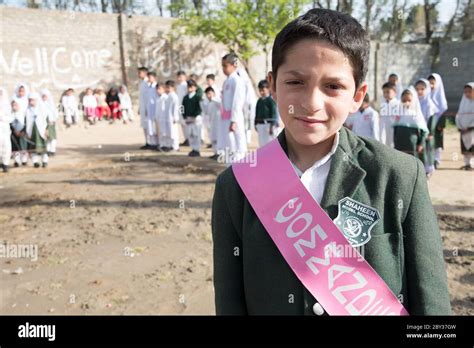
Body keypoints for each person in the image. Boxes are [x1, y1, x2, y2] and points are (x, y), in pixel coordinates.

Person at [212, 8, 450, 316]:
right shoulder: (236, 187)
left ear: (357, 95)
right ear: (272, 85)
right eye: (295, 82)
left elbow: (432, 305)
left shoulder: (399, 176)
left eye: (333, 87)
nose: (311, 103)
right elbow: (230, 303)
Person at [219, 53, 247, 162]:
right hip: (226, 118)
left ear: (233, 65)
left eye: (225, 66)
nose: (223, 69)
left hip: (234, 118)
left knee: (237, 145)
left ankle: (240, 171)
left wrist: (234, 120)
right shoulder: (226, 81)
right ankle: (230, 169)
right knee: (229, 144)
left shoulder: (237, 81)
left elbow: (237, 101)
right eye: (222, 66)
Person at [393, 87, 429, 159]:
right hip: (399, 145)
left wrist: (421, 144)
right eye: (404, 100)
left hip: (412, 146)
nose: (406, 102)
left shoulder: (416, 114)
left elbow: (424, 131)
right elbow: (395, 130)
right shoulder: (398, 114)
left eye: (409, 100)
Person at [416, 79, 437, 177]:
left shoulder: (429, 104)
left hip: (427, 132)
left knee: (427, 150)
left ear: (427, 90)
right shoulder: (415, 102)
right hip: (419, 131)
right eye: (417, 89)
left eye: (422, 89)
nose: (419, 91)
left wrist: (430, 132)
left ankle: (429, 170)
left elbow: (432, 119)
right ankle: (422, 170)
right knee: (420, 150)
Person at [428, 73, 448, 168]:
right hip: (428, 123)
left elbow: (443, 110)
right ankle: (430, 159)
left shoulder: (441, 98)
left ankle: (437, 159)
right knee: (429, 140)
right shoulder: (427, 95)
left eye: (433, 83)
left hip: (438, 123)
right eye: (429, 83)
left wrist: (441, 124)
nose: (431, 85)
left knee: (437, 141)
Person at [25, 93, 49, 168]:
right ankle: (35, 162)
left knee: (43, 147)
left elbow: (46, 120)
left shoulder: (41, 109)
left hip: (41, 131)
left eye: (33, 100)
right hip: (31, 132)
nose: (31, 102)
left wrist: (46, 129)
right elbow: (25, 121)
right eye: (30, 100)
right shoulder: (27, 110)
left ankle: (44, 161)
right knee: (32, 147)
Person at [455, 82, 474, 170]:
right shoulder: (463, 102)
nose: (467, 94)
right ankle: (467, 164)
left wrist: (470, 127)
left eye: (470, 91)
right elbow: (459, 115)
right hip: (463, 129)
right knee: (466, 149)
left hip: (472, 130)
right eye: (465, 92)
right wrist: (460, 126)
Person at [254, 79, 278, 147]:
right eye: (260, 90)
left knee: (269, 143)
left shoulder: (271, 101)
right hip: (260, 124)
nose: (261, 92)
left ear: (268, 89)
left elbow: (274, 113)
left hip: (268, 125)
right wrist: (255, 123)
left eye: (263, 90)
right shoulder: (259, 101)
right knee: (262, 143)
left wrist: (272, 125)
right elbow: (257, 112)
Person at [182, 79, 202, 157]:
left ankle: (197, 149)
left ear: (195, 87)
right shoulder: (185, 97)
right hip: (188, 118)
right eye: (188, 87)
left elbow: (199, 108)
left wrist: (195, 115)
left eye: (191, 86)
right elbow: (181, 107)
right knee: (190, 134)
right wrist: (184, 116)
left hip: (196, 119)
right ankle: (193, 148)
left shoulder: (197, 97)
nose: (190, 88)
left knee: (196, 134)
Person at [161, 80, 180, 152]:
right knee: (169, 132)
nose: (167, 89)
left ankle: (175, 147)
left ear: (173, 88)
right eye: (166, 87)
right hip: (167, 117)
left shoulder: (174, 96)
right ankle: (170, 145)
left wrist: (175, 117)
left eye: (168, 87)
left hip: (172, 118)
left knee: (174, 133)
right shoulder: (168, 96)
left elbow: (176, 108)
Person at [379, 82, 399, 148]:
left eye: (388, 92)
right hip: (384, 130)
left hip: (393, 131)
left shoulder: (398, 104)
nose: (386, 94)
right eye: (384, 92)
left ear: (395, 92)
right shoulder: (383, 104)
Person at [203, 86, 221, 159]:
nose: (209, 96)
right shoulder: (209, 103)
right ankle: (215, 153)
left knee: (218, 138)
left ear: (214, 93)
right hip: (212, 123)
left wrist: (213, 98)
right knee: (213, 138)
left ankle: (219, 153)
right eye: (207, 94)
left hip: (218, 124)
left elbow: (221, 104)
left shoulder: (217, 100)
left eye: (210, 93)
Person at [10, 100, 28, 167]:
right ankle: (17, 161)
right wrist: (14, 131)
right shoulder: (10, 114)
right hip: (14, 134)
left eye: (15, 105)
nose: (14, 107)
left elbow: (26, 123)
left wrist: (22, 131)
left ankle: (24, 160)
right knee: (15, 147)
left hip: (22, 133)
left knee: (23, 146)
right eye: (13, 105)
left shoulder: (22, 114)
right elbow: (10, 123)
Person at [40, 89, 58, 156]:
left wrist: (53, 120)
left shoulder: (51, 104)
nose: (44, 97)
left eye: (46, 96)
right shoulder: (40, 104)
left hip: (51, 122)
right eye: (43, 96)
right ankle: (47, 149)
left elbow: (54, 113)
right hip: (43, 123)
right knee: (46, 137)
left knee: (52, 137)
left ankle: (52, 150)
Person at [0, 87, 12, 172]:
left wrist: (3, 117)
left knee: (6, 146)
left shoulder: (7, 105)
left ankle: (5, 164)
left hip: (5, 129)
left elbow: (10, 117)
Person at [145, 72, 159, 148]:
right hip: (149, 109)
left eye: (150, 77)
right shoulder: (148, 86)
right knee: (150, 126)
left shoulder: (156, 86)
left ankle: (158, 143)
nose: (149, 79)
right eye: (148, 77)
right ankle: (152, 143)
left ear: (154, 78)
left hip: (155, 109)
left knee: (156, 126)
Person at [138, 67, 150, 149]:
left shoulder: (147, 83)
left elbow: (148, 97)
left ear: (145, 73)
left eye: (140, 72)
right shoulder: (142, 83)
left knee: (149, 125)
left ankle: (151, 142)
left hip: (147, 108)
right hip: (142, 107)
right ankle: (147, 142)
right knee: (144, 125)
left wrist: (146, 108)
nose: (138, 74)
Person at [176, 71, 189, 147]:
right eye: (178, 77)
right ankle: (186, 138)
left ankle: (190, 139)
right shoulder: (178, 86)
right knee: (182, 122)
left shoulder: (186, 85)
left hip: (185, 106)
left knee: (186, 122)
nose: (180, 78)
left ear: (185, 77)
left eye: (181, 76)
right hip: (180, 106)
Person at [155, 82, 168, 151]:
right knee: (160, 132)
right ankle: (161, 144)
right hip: (159, 118)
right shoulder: (158, 98)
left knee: (164, 132)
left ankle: (165, 145)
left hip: (164, 118)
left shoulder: (165, 97)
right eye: (157, 89)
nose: (158, 90)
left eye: (159, 89)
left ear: (163, 89)